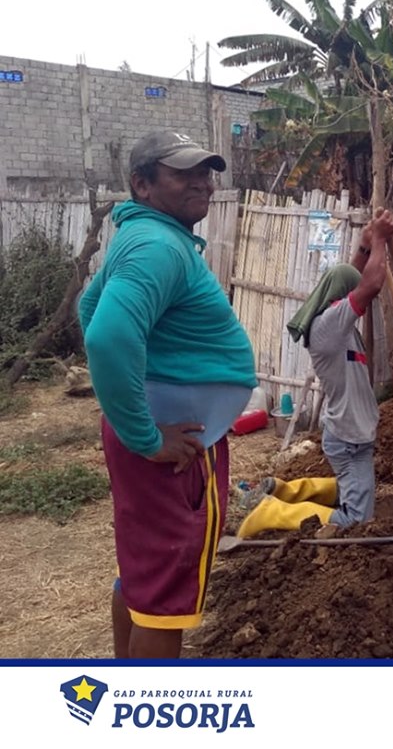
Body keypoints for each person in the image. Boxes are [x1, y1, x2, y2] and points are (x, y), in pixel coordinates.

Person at [79, 130, 257, 658]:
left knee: (144, 580)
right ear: (143, 184)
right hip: (176, 451)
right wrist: (146, 436)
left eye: (206, 172)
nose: (203, 182)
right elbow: (106, 334)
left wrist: (135, 401)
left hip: (163, 437)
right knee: (165, 602)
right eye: (184, 173)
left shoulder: (144, 236)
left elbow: (89, 307)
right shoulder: (157, 246)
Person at [286, 207, 393, 529]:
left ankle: (290, 492)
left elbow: (352, 278)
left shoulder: (336, 322)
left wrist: (365, 245)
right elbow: (370, 285)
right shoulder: (329, 326)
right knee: (357, 518)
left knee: (361, 500)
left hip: (354, 434)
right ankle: (278, 513)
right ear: (338, 298)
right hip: (347, 438)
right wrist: (380, 240)